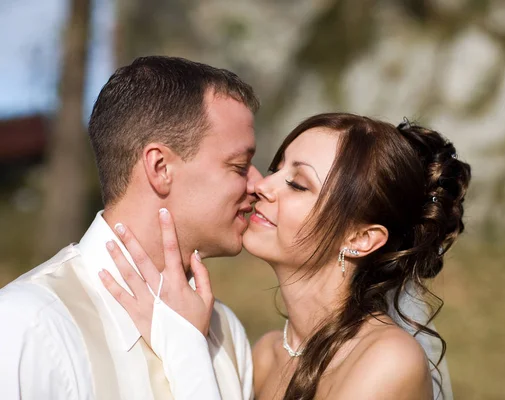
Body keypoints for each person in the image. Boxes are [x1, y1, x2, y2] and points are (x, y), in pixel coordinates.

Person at [102, 113, 471, 399]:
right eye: (277, 168)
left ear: (360, 238)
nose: (262, 185)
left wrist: (186, 351)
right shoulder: (263, 355)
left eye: (297, 183)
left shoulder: (389, 360)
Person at [0, 56, 261, 399]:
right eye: (240, 166)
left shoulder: (226, 332)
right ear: (160, 167)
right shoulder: (29, 323)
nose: (259, 184)